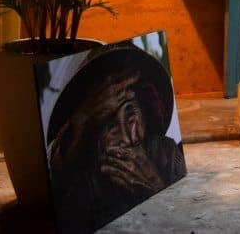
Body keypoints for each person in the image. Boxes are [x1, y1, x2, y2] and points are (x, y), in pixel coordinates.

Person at [46, 43, 186, 233]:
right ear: (94, 136)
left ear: (145, 112)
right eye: (110, 125)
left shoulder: (165, 153)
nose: (128, 138)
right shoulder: (84, 181)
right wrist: (83, 116)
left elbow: (182, 217)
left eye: (130, 116)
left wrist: (153, 183)